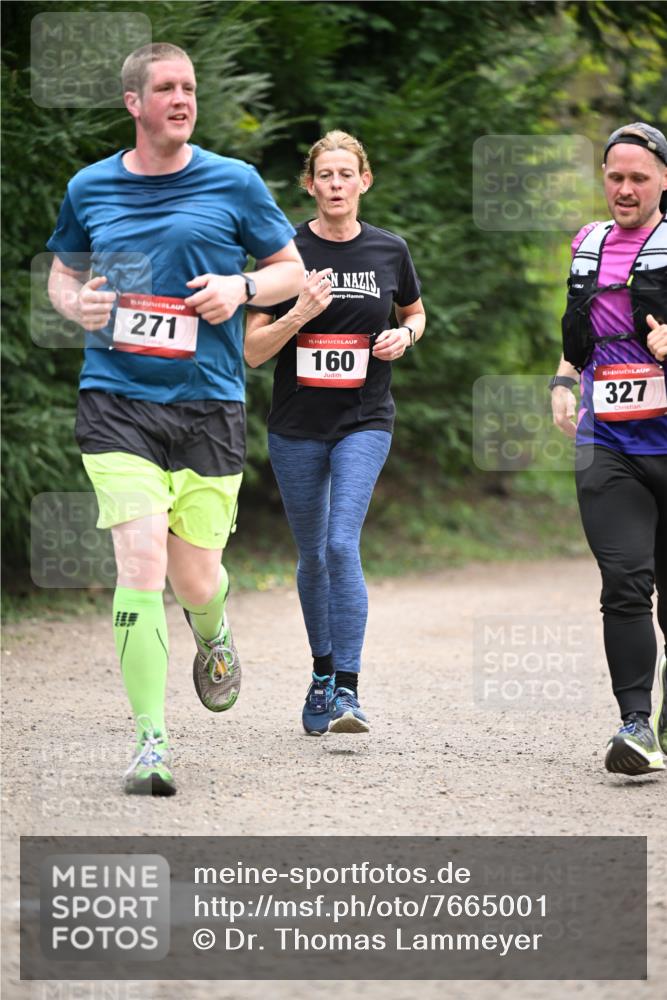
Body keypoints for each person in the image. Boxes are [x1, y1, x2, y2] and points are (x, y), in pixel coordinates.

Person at [46, 43, 304, 796]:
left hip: (209, 404)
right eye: (165, 88)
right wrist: (76, 304)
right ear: (134, 102)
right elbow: (62, 273)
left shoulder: (234, 181)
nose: (182, 98)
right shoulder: (90, 186)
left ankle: (211, 624)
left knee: (193, 578)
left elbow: (289, 270)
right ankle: (150, 742)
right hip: (116, 400)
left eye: (189, 86)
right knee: (140, 561)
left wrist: (241, 287)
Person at [244, 131, 425, 736]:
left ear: (364, 181)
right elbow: (252, 351)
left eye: (347, 174)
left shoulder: (390, 250)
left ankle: (348, 688)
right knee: (312, 555)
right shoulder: (285, 255)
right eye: (326, 175)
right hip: (296, 427)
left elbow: (414, 311)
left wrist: (406, 336)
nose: (337, 184)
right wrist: (299, 313)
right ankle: (321, 673)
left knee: (342, 544)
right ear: (310, 184)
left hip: (363, 420)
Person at [550, 122, 667, 776]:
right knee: (624, 582)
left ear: (663, 181)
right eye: (615, 176)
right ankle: (635, 724)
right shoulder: (587, 245)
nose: (625, 189)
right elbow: (578, 333)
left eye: (638, 178)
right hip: (608, 441)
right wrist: (563, 381)